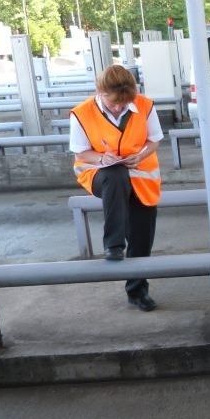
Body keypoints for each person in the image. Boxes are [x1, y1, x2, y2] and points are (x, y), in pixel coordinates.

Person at [69, 64, 162, 312]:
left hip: (140, 177)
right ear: (100, 92)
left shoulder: (145, 105)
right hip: (101, 174)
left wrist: (140, 155)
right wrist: (102, 159)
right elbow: (81, 152)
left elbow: (154, 141)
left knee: (142, 238)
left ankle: (137, 291)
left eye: (124, 103)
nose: (119, 107)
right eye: (114, 104)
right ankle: (114, 244)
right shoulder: (81, 113)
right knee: (115, 174)